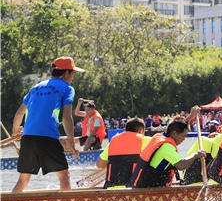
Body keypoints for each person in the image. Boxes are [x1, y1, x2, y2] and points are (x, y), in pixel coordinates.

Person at [11, 56, 83, 192]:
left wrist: (16, 134)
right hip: (47, 137)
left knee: (23, 178)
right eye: (73, 73)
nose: (73, 77)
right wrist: (72, 143)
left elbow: (19, 114)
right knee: (64, 176)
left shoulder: (35, 88)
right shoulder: (67, 88)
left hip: (28, 137)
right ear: (65, 73)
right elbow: (67, 117)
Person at [129, 118, 205, 188]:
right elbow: (181, 165)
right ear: (174, 134)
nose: (184, 139)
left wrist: (191, 117)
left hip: (146, 183)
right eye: (183, 136)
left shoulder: (161, 136)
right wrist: (195, 155)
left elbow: (176, 125)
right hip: (149, 186)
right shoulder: (167, 147)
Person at [96, 117, 150, 188]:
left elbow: (100, 164)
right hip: (132, 190)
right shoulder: (145, 140)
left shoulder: (113, 140)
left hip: (111, 190)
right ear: (141, 130)